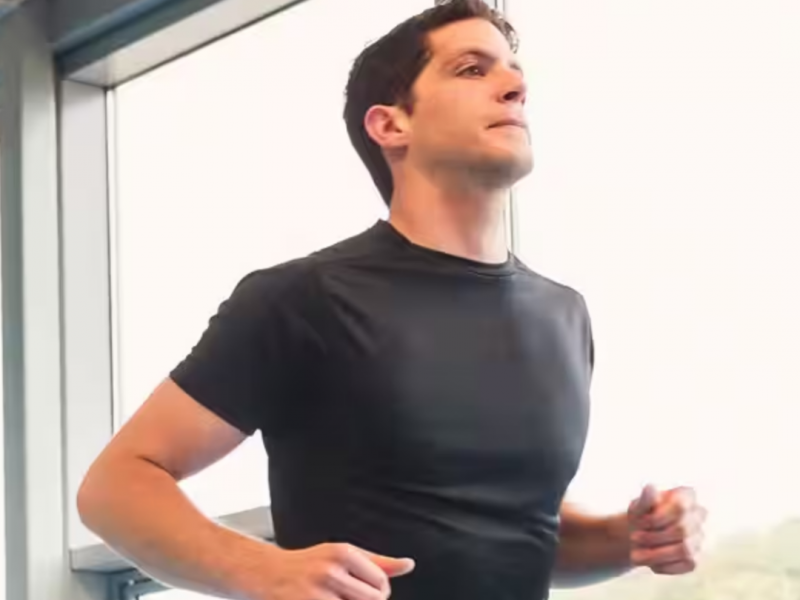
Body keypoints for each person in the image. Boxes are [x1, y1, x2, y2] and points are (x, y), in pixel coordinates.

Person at [77, 1, 707, 599]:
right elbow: (115, 487)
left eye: (515, 73)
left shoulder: (564, 316)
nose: (515, 87)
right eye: (472, 69)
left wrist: (627, 539)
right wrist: (263, 571)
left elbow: (518, 533)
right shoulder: (303, 299)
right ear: (390, 124)